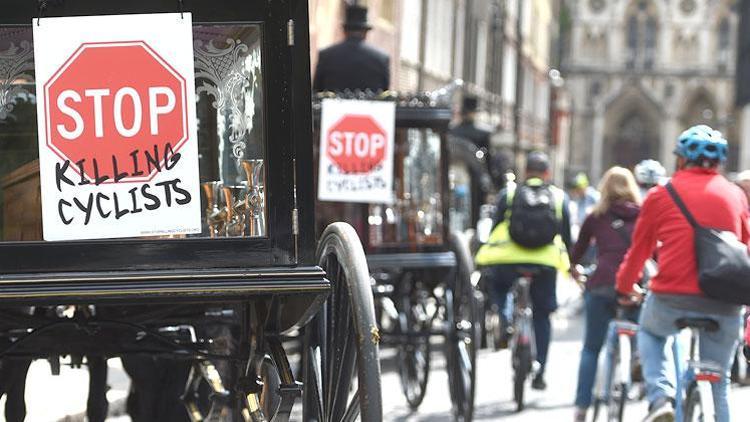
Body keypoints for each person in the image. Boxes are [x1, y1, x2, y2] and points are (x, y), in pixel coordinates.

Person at [617, 124, 747, 422]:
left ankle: (661, 397)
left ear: (680, 160)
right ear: (719, 163)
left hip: (672, 296)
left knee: (650, 332)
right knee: (719, 383)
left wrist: (625, 286)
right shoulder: (737, 195)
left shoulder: (661, 194)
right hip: (725, 300)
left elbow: (639, 250)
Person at [475, 151, 572, 390]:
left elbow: (496, 227)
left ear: (525, 171)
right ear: (547, 173)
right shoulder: (559, 197)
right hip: (545, 263)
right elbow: (568, 237)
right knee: (542, 315)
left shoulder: (508, 194)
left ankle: (506, 319)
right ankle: (540, 370)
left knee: (499, 285)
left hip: (509, 258)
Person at [569, 167, 641, 422]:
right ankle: (637, 358)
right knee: (643, 332)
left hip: (601, 284)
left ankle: (581, 407)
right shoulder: (643, 215)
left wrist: (574, 270)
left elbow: (576, 252)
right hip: (634, 286)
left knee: (591, 349)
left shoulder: (595, 216)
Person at [312, 5, 389, 93]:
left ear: (345, 31)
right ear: (365, 32)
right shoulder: (381, 58)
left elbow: (316, 91)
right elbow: (385, 94)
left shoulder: (326, 55)